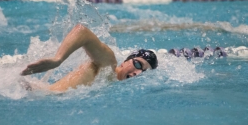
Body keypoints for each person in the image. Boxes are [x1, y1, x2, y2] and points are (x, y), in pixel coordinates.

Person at [20, 24, 158, 92]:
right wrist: (58, 60)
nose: (138, 73)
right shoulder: (108, 65)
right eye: (138, 65)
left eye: (144, 71)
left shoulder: (110, 83)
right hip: (27, 91)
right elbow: (82, 32)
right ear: (125, 61)